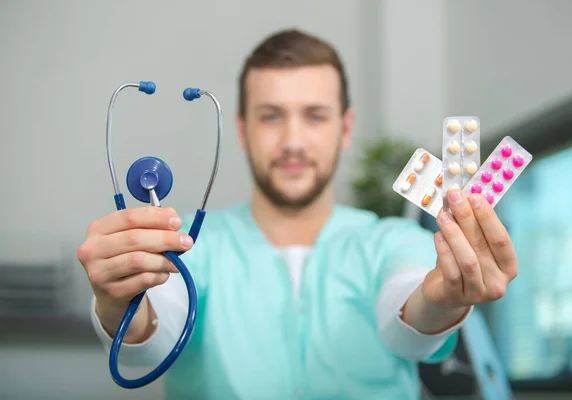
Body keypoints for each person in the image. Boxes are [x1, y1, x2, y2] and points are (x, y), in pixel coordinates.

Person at [77, 28, 518, 400]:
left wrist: (442, 297)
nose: (292, 141)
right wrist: (122, 301)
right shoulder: (185, 242)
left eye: (314, 116)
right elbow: (152, 337)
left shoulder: (394, 242)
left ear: (344, 129)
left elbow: (407, 317)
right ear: (242, 130)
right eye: (271, 116)